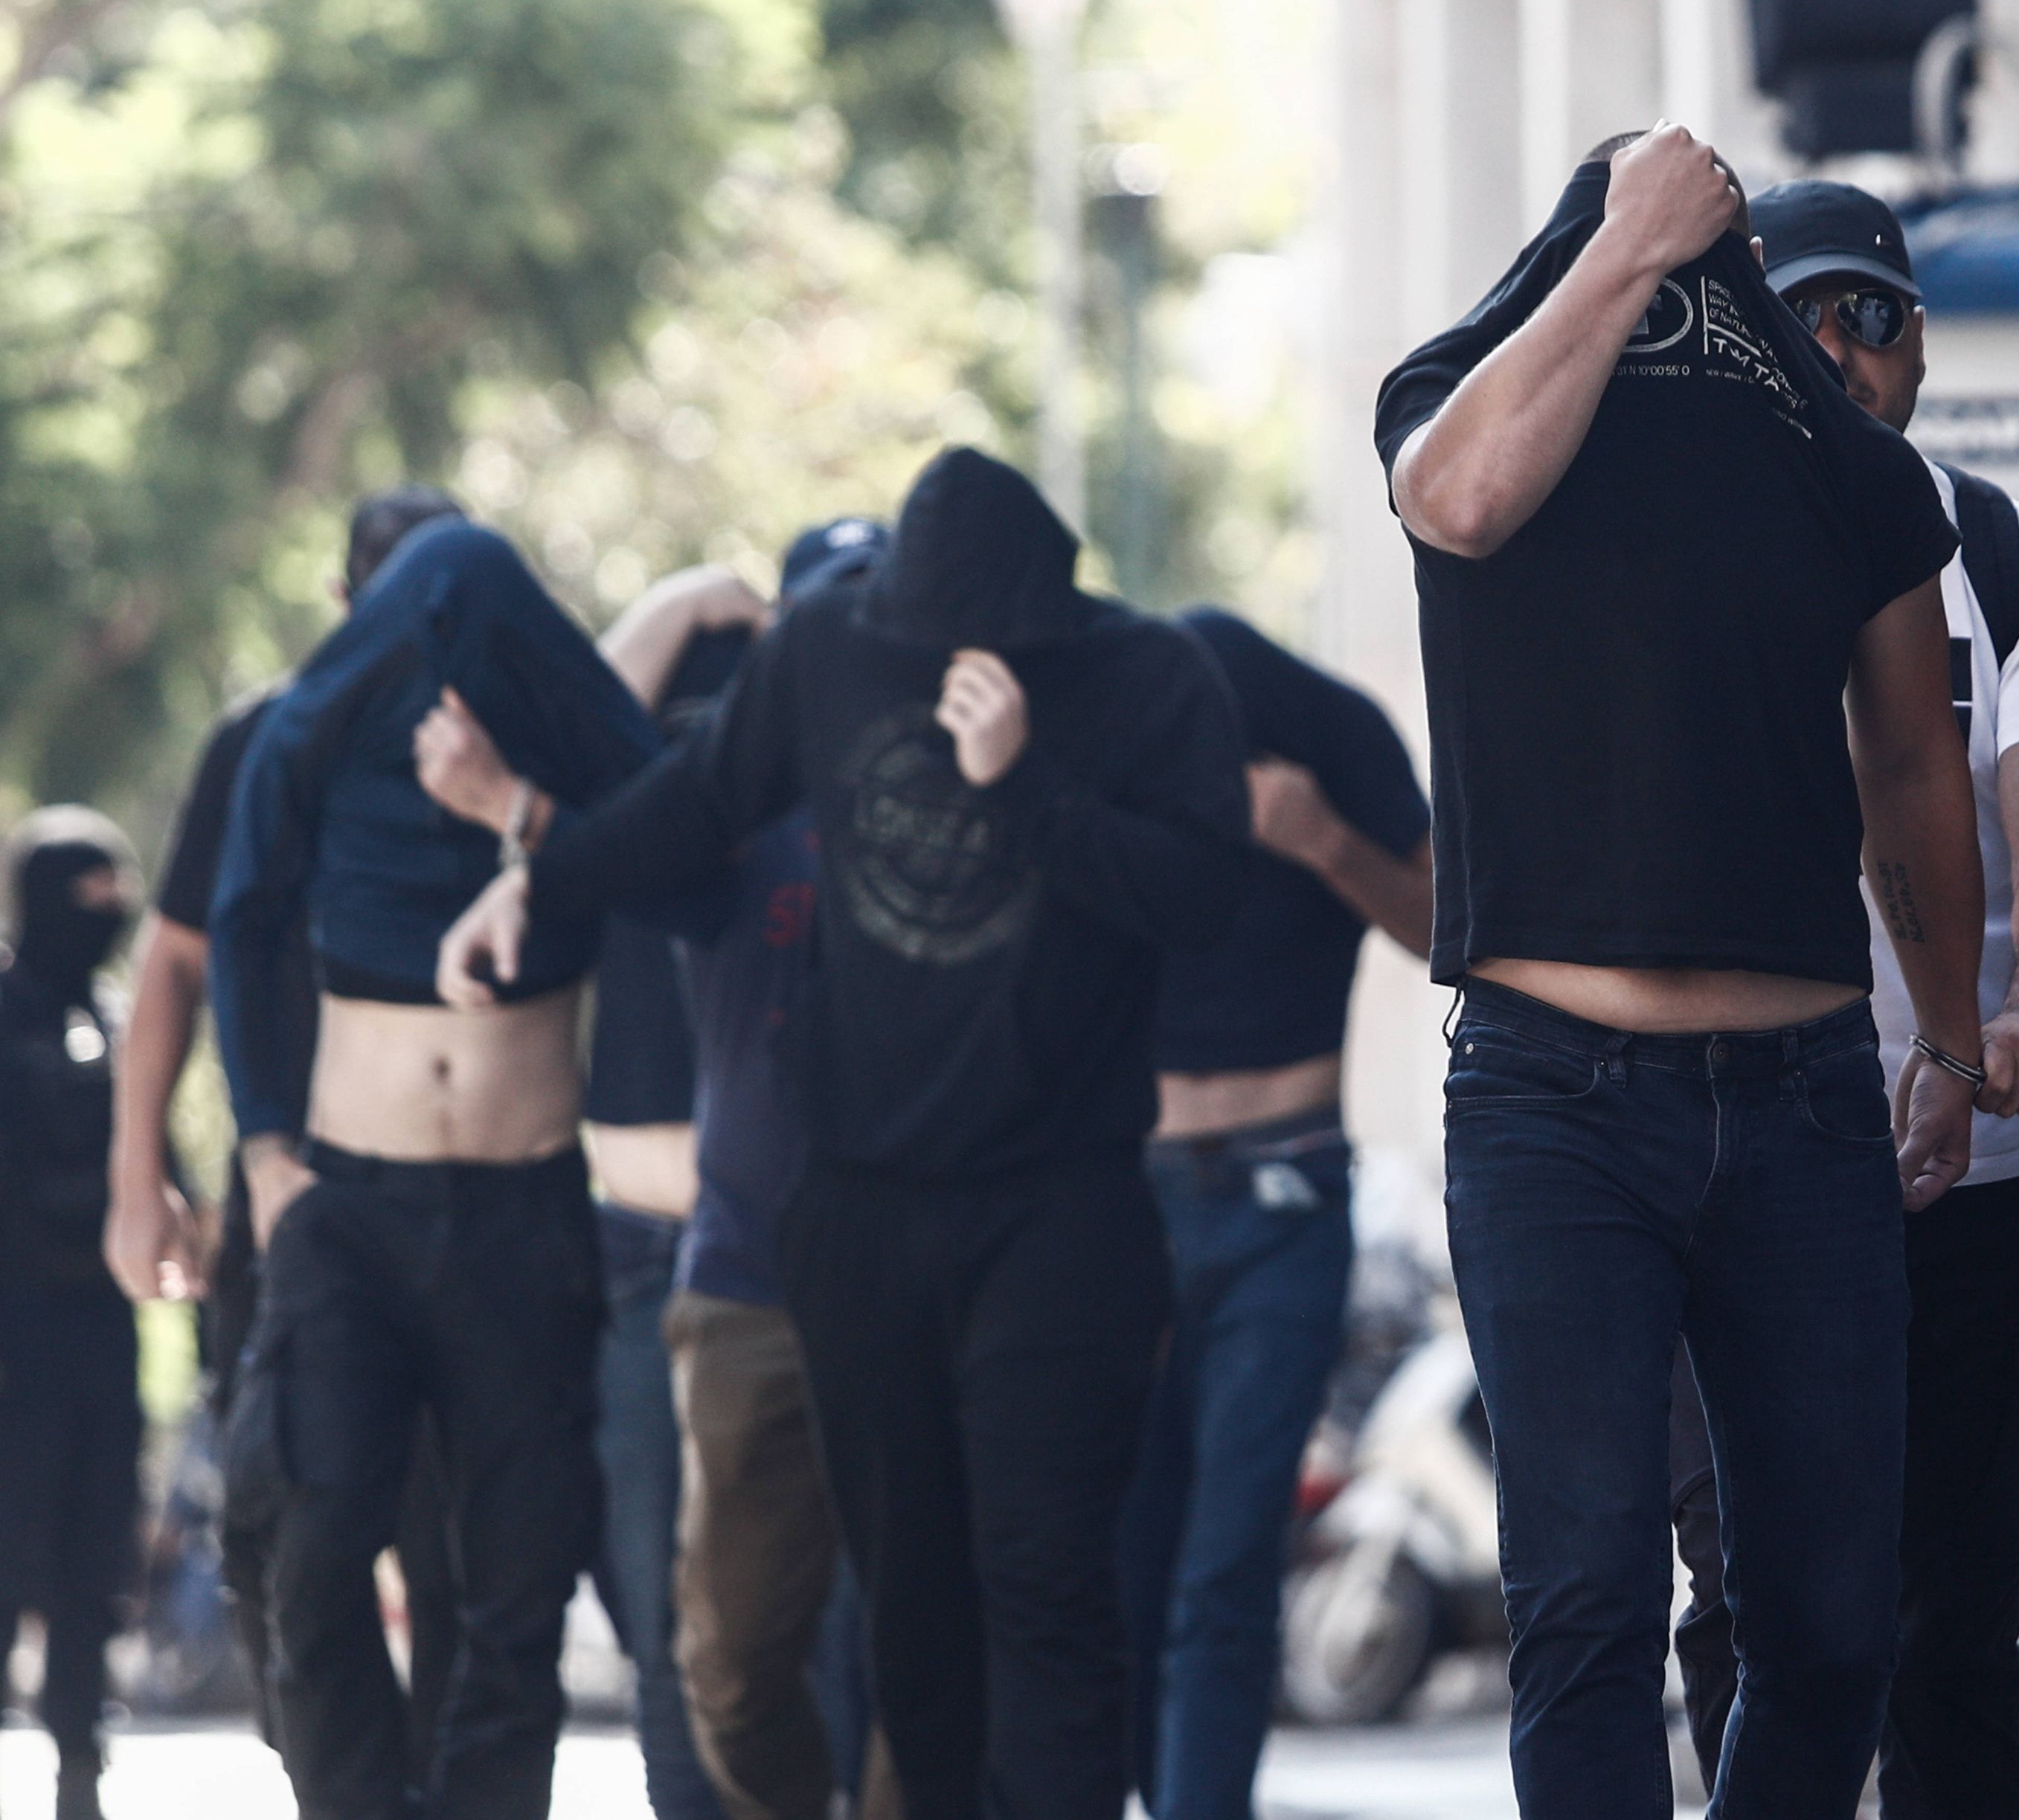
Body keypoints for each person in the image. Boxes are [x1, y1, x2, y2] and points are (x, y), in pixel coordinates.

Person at [437, 448, 1252, 1820]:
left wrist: (1026, 782)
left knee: (1046, 1589)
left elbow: (1207, 898)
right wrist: (539, 882)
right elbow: (694, 805)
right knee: (911, 1609)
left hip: (1060, 1210)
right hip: (865, 1210)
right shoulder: (830, 643)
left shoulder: (1152, 680)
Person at [1373, 125, 1994, 1816]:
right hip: (1550, 1096)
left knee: (1826, 1628)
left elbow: (1911, 766)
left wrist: (1943, 1039)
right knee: (1580, 1606)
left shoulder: (1835, 462)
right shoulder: (1463, 391)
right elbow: (1459, 500)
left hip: (1799, 1104)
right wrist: (1624, 248)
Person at [1663, 179, 2019, 1815]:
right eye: (1803, 318)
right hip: (1740, 1157)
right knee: (1748, 1599)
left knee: (1952, 1618)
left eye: (1876, 317)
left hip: (1968, 1171)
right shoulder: (1674, 542)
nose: (1841, 351)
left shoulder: (1968, 529)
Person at [419, 525, 899, 1820]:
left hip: (851, 1269)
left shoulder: (912, 796)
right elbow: (572, 737)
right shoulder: (686, 779)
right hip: (660, 1264)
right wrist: (692, 594)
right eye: (809, 619)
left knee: (863, 1652)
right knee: (687, 1655)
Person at [211, 507, 665, 1820]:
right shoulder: (305, 729)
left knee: (516, 1586)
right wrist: (267, 1156)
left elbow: (684, 849)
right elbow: (237, 925)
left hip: (524, 1206)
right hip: (350, 1202)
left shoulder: (565, 744)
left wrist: (510, 809)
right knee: (314, 1540)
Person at [105, 486, 469, 1769]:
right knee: (284, 1533)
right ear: (344, 603)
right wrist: (139, 1176)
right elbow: (174, 962)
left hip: (470, 1201)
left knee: (459, 1553)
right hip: (292, 1203)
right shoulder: (269, 738)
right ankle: (340, 1784)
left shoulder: (510, 732)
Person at [1119, 609, 1432, 1820]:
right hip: (1128, 1197)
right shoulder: (1102, 731)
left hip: (1286, 1189)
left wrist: (1322, 842)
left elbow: (1446, 923)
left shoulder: (1324, 729)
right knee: (1128, 1568)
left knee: (1226, 1565)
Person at [0, 810, 143, 1820]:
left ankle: (79, 1772)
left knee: (93, 1568)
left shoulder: (123, 1017)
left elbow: (151, 1173)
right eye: (86, 893)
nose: (108, 914)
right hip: (10, 1342)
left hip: (99, 1332)